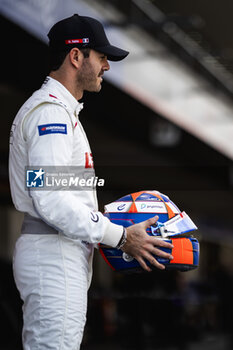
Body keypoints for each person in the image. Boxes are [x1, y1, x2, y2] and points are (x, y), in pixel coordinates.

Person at [9, 14, 174, 350]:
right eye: (101, 57)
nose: (106, 67)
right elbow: (51, 199)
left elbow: (61, 194)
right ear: (76, 56)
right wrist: (121, 236)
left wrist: (116, 225)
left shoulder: (63, 114)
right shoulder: (51, 115)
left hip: (58, 252)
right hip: (53, 254)